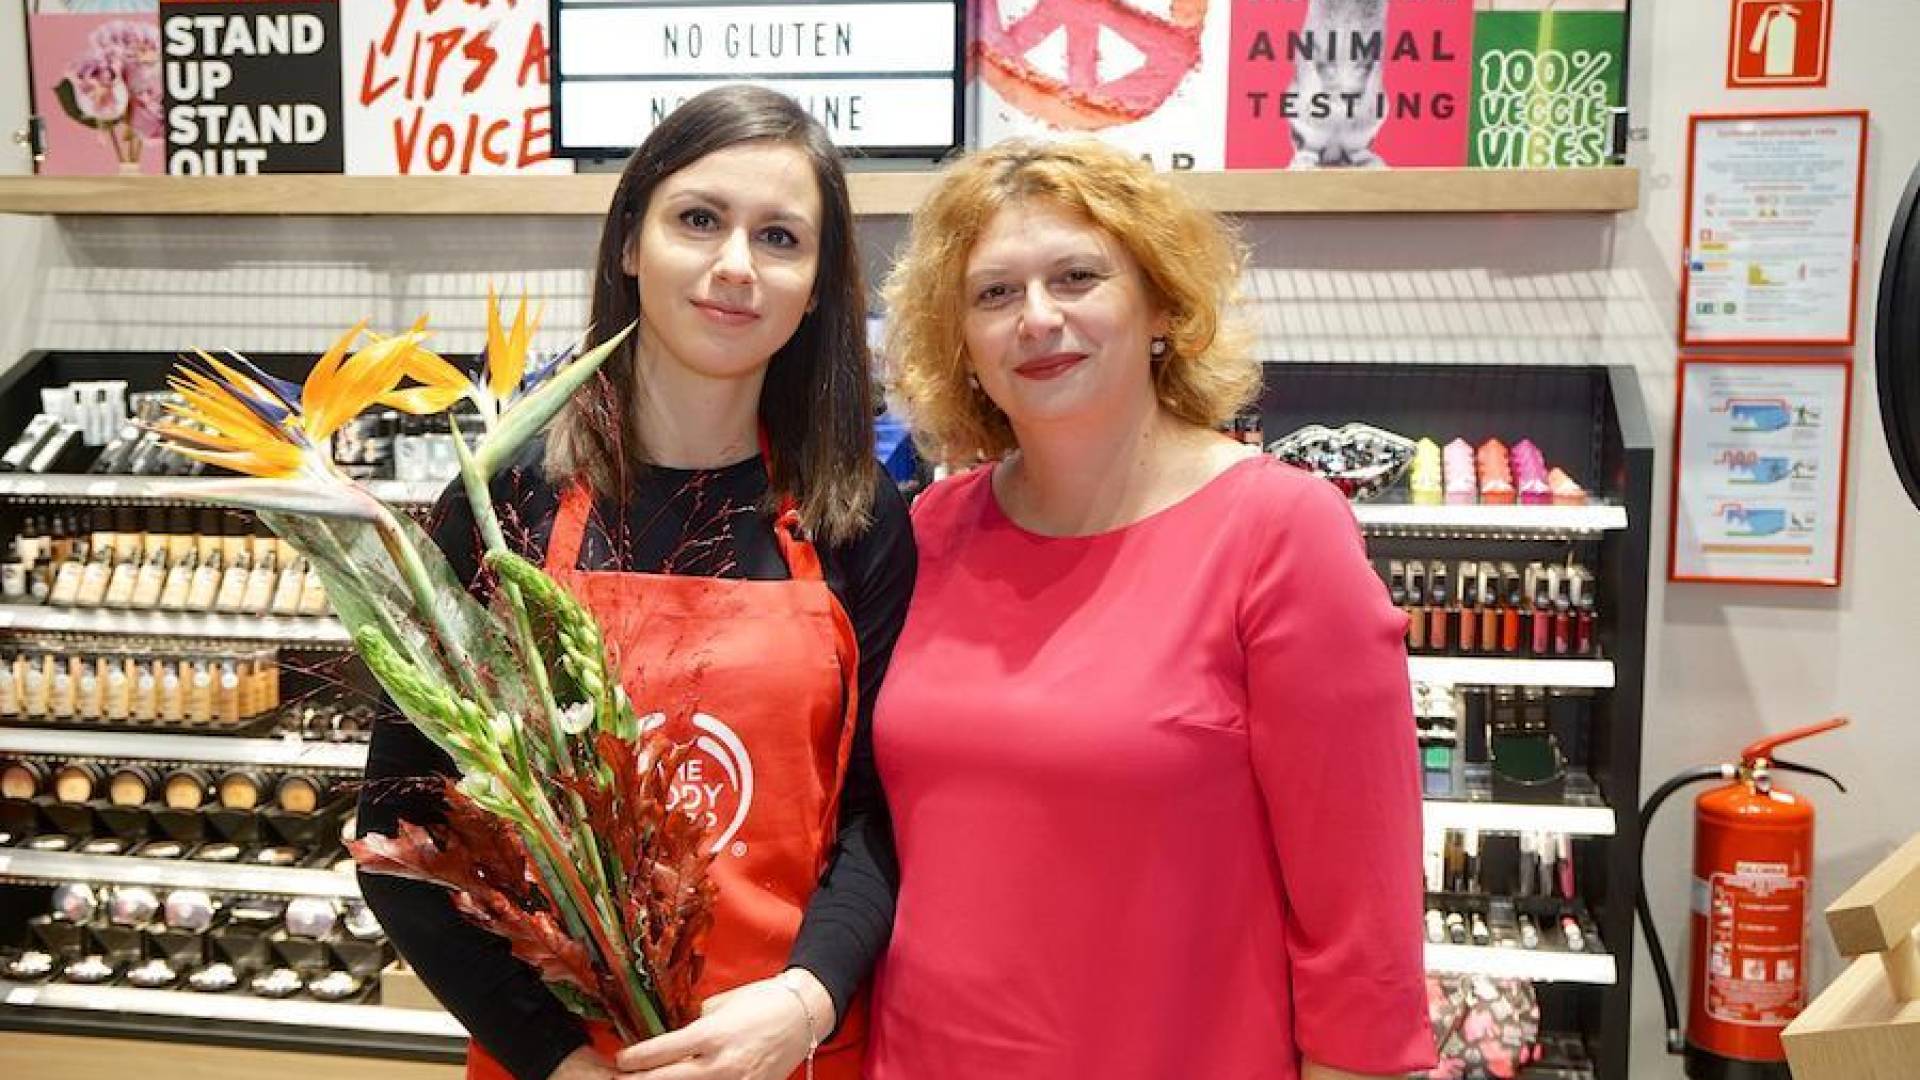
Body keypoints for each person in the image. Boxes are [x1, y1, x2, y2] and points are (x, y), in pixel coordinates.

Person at [357, 85, 912, 1080]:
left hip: (788, 1054)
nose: (736, 265)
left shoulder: (856, 515)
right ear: (628, 244)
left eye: (780, 238)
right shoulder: (507, 499)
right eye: (698, 219)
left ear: (817, 286)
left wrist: (806, 999)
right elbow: (401, 834)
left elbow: (883, 813)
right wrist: (564, 1060)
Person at [867, 138, 1435, 1079]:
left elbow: (1360, 919)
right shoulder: (931, 531)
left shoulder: (1280, 532)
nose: (1037, 318)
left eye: (1077, 277)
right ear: (959, 342)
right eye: (995, 293)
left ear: (1162, 306)